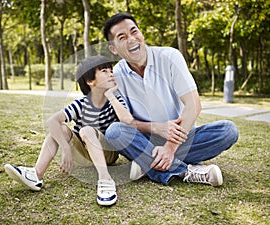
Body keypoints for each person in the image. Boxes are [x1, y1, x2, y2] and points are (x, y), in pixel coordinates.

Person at [102, 12, 239, 186]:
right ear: (113, 49)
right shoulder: (116, 76)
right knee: (115, 131)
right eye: (122, 37)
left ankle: (146, 164)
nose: (131, 39)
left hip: (182, 138)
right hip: (144, 140)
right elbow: (126, 122)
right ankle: (186, 171)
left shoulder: (170, 57)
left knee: (228, 130)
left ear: (141, 33)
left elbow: (193, 104)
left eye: (134, 31)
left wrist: (169, 148)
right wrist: (157, 128)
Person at [4, 55, 135, 206]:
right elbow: (52, 121)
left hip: (107, 154)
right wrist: (65, 148)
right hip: (84, 155)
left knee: (86, 130)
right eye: (105, 71)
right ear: (90, 81)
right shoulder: (81, 103)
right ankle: (36, 174)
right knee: (58, 128)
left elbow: (127, 121)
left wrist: (111, 95)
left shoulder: (115, 99)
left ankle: (105, 179)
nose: (111, 73)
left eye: (111, 70)